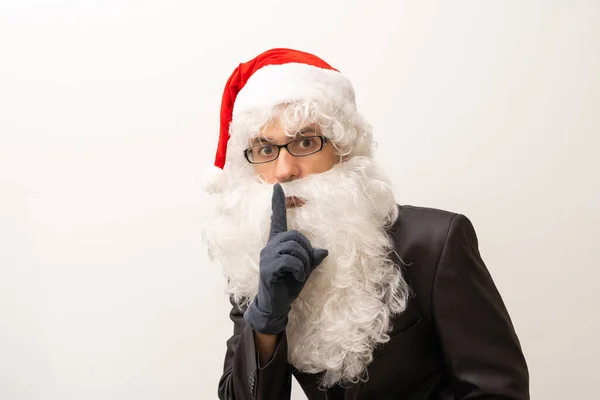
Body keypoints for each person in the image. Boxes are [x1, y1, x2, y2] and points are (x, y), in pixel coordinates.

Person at [202, 48, 529, 400]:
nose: (284, 171)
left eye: (306, 142)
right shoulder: (258, 264)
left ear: (342, 149)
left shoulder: (436, 242)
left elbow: (498, 391)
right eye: (266, 150)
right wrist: (266, 319)